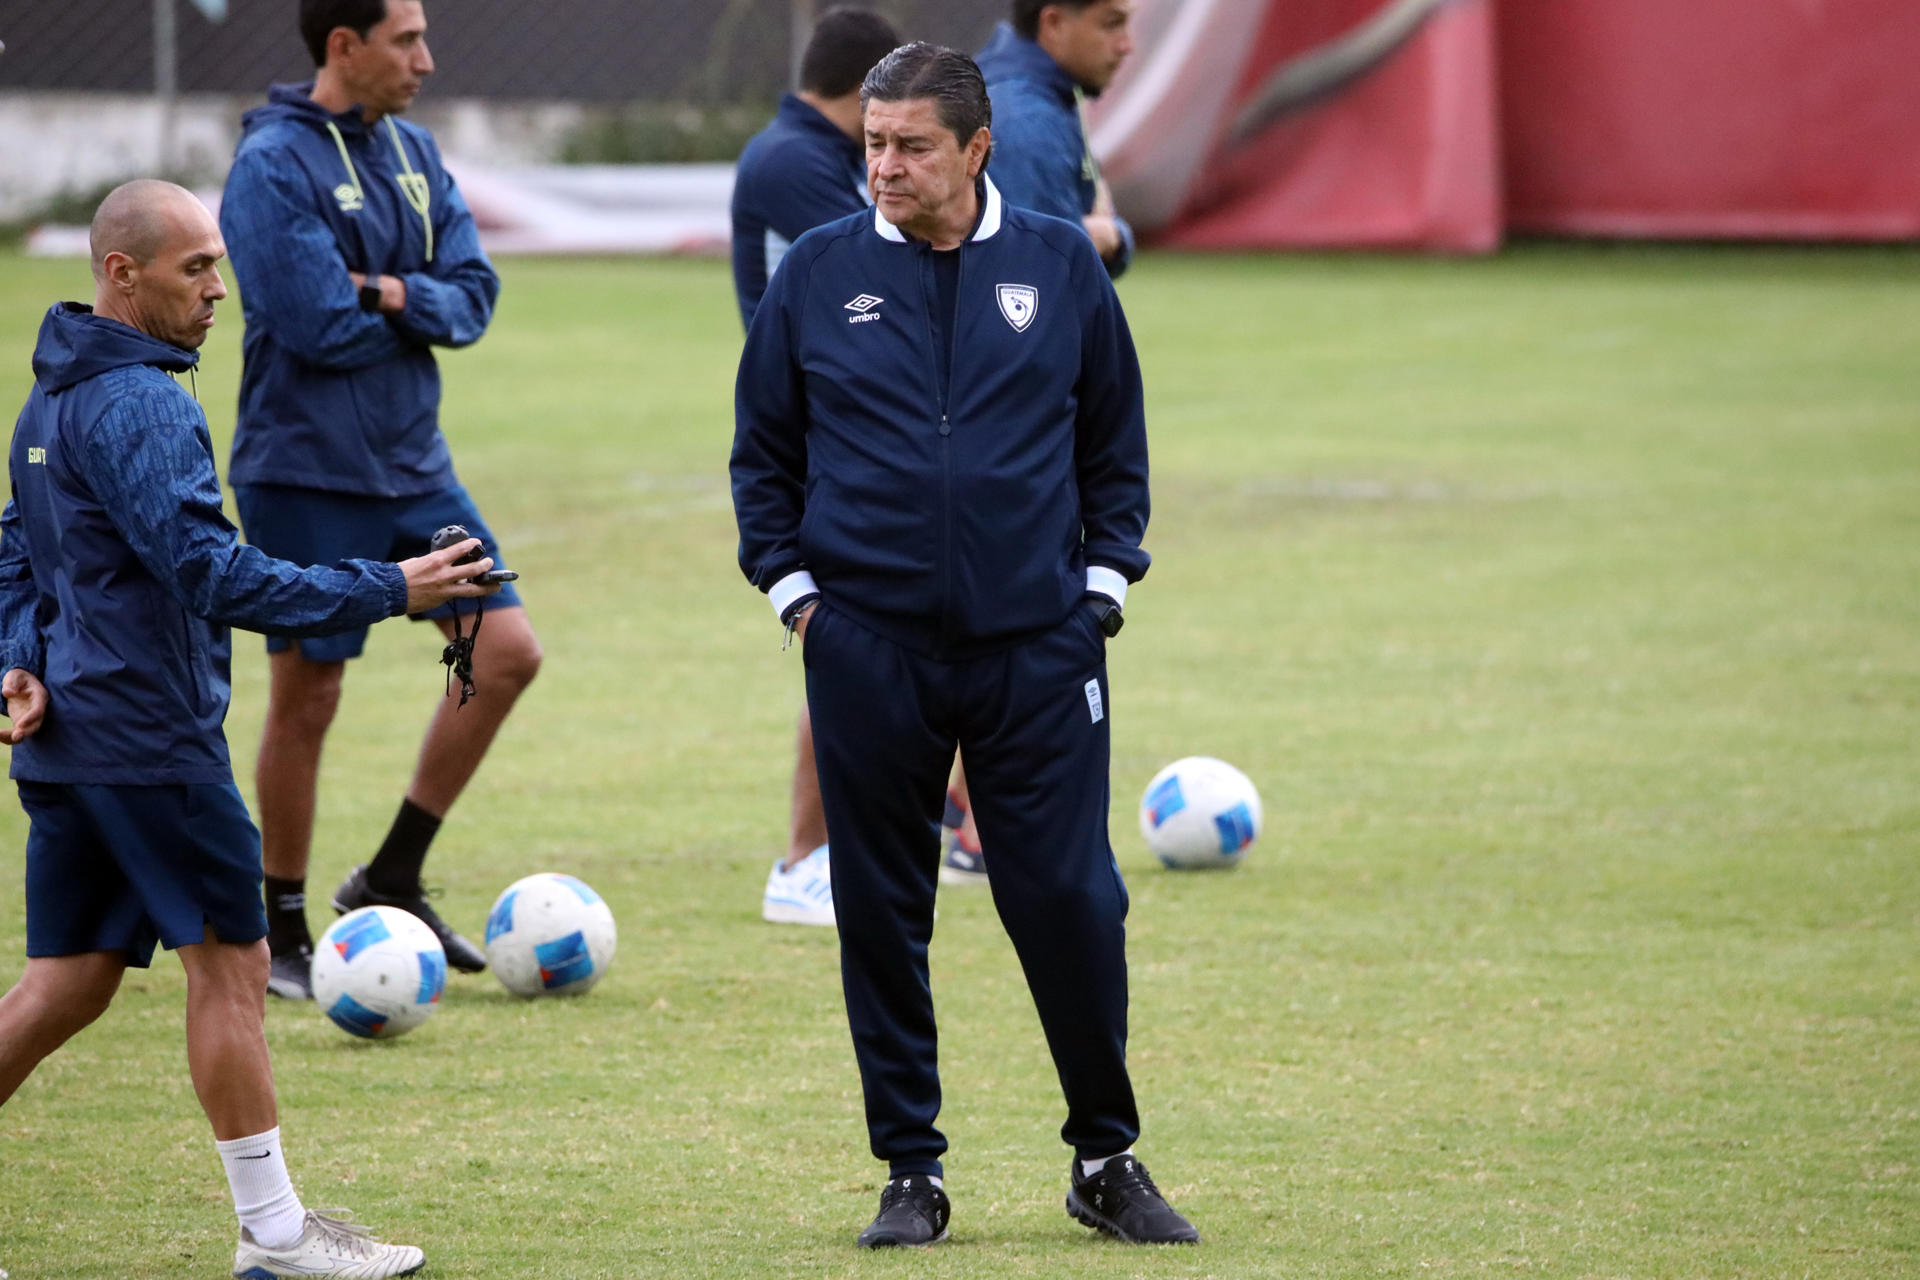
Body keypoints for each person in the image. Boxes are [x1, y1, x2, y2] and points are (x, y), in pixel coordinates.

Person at [730, 43, 1198, 1248]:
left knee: (1071, 898)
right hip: (866, 647)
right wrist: (798, 599)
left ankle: (1106, 1154)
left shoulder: (1058, 265)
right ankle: (910, 1171)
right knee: (882, 908)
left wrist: (1101, 587)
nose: (883, 165)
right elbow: (762, 455)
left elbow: (1115, 440)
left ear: (977, 149)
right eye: (873, 143)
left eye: (911, 145)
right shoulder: (820, 275)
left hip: (1040, 647)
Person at [0, 179, 496, 1278]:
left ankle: (275, 1233)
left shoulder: (52, 396)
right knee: (231, 968)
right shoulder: (141, 402)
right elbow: (209, 571)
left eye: (219, 264)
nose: (221, 289)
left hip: (73, 738)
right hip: (148, 739)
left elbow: (17, 549)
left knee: (66, 984)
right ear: (123, 275)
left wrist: (17, 662)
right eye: (196, 270)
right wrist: (392, 585)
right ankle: (275, 1236)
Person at [218, 0, 541, 1000]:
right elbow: (312, 322)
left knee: (505, 647)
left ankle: (393, 871)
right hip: (306, 467)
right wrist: (408, 300)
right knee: (310, 694)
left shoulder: (414, 149)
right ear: (342, 47)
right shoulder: (273, 164)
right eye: (406, 40)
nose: (427, 60)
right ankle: (280, 927)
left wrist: (392, 292)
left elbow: (474, 294)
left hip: (413, 465)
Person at [733, 6, 902, 929]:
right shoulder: (792, 162)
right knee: (851, 647)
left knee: (900, 645)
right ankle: (804, 861)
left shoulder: (818, 154)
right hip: (819, 442)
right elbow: (890, 267)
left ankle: (925, 828)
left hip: (851, 435)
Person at [976, 0, 1137, 278]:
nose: (1126, 45)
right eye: (1112, 23)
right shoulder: (1025, 121)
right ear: (1053, 24)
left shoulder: (1039, 93)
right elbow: (1041, 275)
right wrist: (1114, 237)